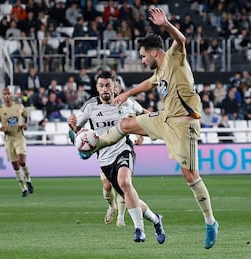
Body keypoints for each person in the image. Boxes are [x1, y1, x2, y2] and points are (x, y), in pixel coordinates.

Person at [80, 8, 219, 249]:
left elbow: (182, 40)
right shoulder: (159, 70)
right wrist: (127, 93)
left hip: (185, 124)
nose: (142, 60)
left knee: (190, 176)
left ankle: (210, 222)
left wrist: (165, 24)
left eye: (143, 56)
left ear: (155, 52)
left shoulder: (175, 57)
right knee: (125, 125)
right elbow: (148, 83)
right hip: (165, 118)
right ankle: (92, 147)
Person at [68, 70, 165, 243]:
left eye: (108, 85)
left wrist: (142, 133)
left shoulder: (127, 103)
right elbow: (77, 133)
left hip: (124, 150)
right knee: (129, 196)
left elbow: (145, 114)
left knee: (125, 182)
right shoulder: (90, 107)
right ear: (97, 88)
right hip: (104, 158)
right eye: (101, 85)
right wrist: (73, 127)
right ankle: (156, 220)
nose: (105, 89)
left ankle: (139, 230)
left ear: (115, 86)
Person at [0, 87, 34, 198]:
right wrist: (2, 129)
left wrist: (26, 124)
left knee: (22, 162)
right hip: (8, 139)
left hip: (19, 136)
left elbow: (26, 116)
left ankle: (28, 179)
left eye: (9, 94)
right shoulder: (0, 111)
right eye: (5, 94)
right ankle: (23, 188)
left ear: (12, 95)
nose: (7, 96)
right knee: (15, 165)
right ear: (2, 96)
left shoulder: (19, 107)